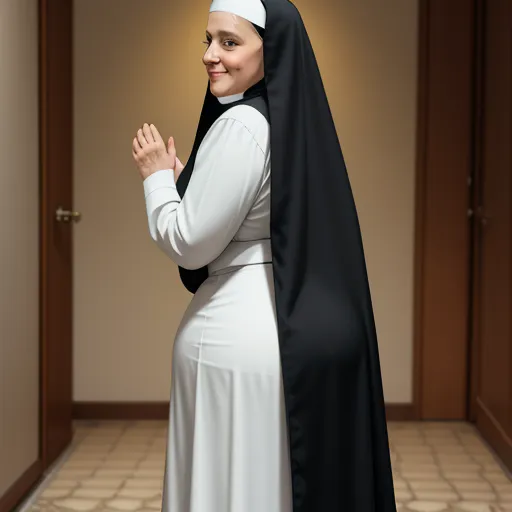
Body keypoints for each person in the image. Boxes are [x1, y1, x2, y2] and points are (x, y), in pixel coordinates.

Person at [132, 0, 397, 511]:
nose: (212, 55)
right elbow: (250, 211)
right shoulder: (282, 121)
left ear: (268, 49)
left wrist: (156, 179)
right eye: (208, 41)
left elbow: (188, 240)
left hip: (232, 338)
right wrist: (193, 179)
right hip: (271, 331)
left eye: (230, 43)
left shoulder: (242, 127)